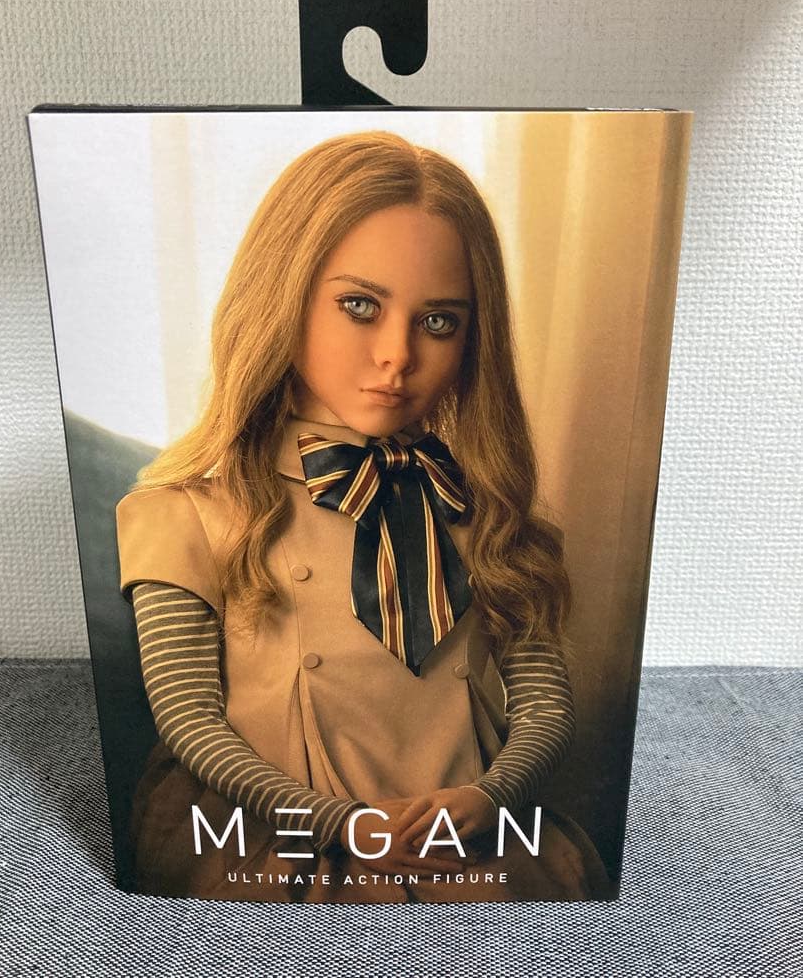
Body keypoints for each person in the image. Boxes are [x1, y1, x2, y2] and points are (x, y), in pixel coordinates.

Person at [116, 130, 612, 903]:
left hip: (465, 843)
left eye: (438, 322)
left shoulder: (489, 519)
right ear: (283, 296)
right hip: (275, 842)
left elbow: (543, 701)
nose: (397, 355)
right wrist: (338, 822)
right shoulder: (182, 518)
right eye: (359, 306)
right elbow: (188, 722)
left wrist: (490, 796)